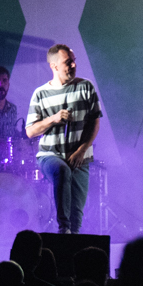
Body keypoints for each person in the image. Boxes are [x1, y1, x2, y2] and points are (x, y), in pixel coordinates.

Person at [25, 44, 103, 234]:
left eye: (74, 61)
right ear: (54, 66)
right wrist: (53, 119)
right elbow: (30, 131)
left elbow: (95, 123)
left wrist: (81, 151)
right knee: (61, 171)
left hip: (80, 158)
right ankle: (63, 228)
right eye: (68, 62)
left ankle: (70, 237)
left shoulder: (86, 87)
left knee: (77, 216)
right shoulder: (40, 93)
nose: (74, 65)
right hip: (50, 155)